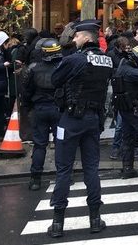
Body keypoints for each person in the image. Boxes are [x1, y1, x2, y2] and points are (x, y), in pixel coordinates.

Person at [47, 20, 114, 238]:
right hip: (93, 120)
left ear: (86, 37)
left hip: (71, 118)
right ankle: (95, 218)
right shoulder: (107, 60)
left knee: (64, 169)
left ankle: (58, 222)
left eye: (76, 36)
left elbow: (55, 81)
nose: (74, 39)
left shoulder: (74, 60)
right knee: (91, 169)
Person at [21, 38, 62, 191]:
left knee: (39, 145)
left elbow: (25, 90)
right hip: (58, 109)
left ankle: (35, 178)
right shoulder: (62, 67)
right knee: (61, 144)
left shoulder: (33, 68)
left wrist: (27, 106)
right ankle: (63, 175)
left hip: (39, 108)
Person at [111, 45, 138, 179]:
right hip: (134, 108)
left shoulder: (122, 68)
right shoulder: (132, 72)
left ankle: (127, 168)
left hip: (125, 109)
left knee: (128, 137)